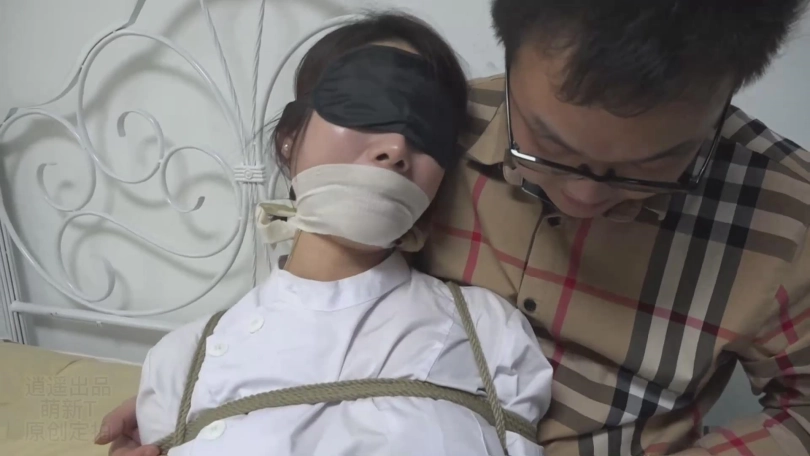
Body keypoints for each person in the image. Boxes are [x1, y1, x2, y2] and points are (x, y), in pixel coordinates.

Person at [97, 1, 810, 455]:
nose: (584, 194)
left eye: (650, 167)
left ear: (730, 91)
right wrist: (215, 399)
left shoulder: (789, 215)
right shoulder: (428, 131)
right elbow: (330, 281)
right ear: (509, 56)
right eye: (547, 146)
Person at [131, 12, 552, 456]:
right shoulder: (181, 364)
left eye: (428, 127)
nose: (396, 148)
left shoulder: (490, 333)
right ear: (289, 138)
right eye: (366, 104)